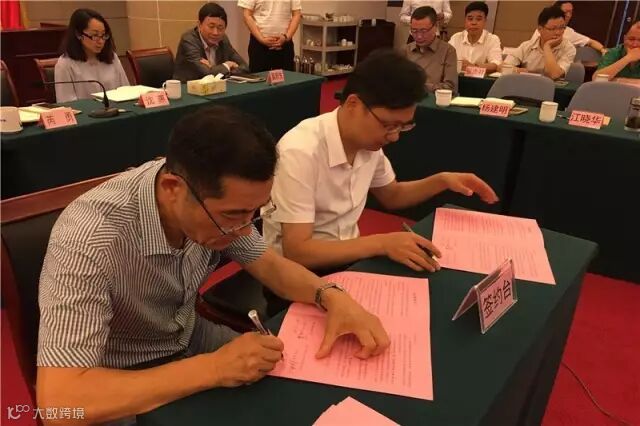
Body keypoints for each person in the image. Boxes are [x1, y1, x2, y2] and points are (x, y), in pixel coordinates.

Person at [36, 105, 389, 424]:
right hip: (122, 373)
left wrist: (331, 295)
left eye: (255, 212)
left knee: (294, 393)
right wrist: (213, 369)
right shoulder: (89, 239)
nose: (244, 228)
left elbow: (270, 265)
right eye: (234, 215)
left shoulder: (215, 204)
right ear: (172, 188)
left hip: (191, 337)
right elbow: (59, 402)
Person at [262, 49, 497, 277]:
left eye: (403, 126)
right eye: (388, 125)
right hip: (297, 276)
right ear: (353, 104)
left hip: (348, 259)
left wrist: (442, 180)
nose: (394, 137)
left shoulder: (367, 142)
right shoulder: (300, 151)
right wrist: (382, 244)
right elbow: (299, 252)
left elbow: (392, 195)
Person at [54, 8, 130, 102]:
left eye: (103, 35)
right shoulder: (65, 65)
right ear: (78, 35)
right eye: (95, 35)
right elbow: (66, 102)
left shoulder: (112, 57)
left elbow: (126, 91)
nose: (101, 41)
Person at [173, 2, 249, 82]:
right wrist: (227, 65)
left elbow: (244, 67)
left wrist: (215, 70)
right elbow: (206, 74)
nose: (215, 33)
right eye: (211, 26)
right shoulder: (189, 40)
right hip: (186, 87)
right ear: (199, 25)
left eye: (220, 28)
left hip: (215, 87)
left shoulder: (223, 39)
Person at [502, 6, 576, 80]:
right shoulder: (527, 46)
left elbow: (554, 75)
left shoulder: (569, 49)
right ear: (540, 29)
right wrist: (517, 70)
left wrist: (547, 47)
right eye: (553, 29)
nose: (558, 32)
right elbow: (503, 67)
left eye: (561, 28)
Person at [238, 0, 302, 72]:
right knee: (259, 77)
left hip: (285, 45)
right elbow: (247, 15)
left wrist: (286, 37)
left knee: (287, 77)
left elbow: (297, 14)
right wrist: (261, 39)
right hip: (259, 45)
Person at [405, 6, 458, 93]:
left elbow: (450, 87)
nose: (419, 36)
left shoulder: (448, 51)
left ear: (435, 27)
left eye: (424, 31)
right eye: (414, 31)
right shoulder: (405, 50)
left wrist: (418, 86)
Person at [530, 1, 606, 55]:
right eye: (565, 12)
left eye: (571, 12)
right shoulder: (543, 29)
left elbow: (590, 42)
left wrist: (604, 50)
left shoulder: (570, 36)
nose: (568, 15)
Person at [448, 1, 502, 73]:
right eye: (470, 19)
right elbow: (445, 59)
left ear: (485, 21)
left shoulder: (492, 39)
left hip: (480, 79)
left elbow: (496, 64)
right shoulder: (456, 38)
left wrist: (473, 67)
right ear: (465, 20)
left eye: (479, 19)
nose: (474, 23)